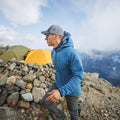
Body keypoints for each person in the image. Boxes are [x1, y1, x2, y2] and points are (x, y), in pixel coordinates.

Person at [40, 25, 83, 120]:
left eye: (47, 35)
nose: (45, 38)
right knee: (44, 102)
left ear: (55, 36)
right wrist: (59, 88)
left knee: (73, 112)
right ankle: (61, 115)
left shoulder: (72, 53)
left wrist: (61, 92)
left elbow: (78, 76)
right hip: (59, 83)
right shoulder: (53, 52)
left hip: (72, 89)